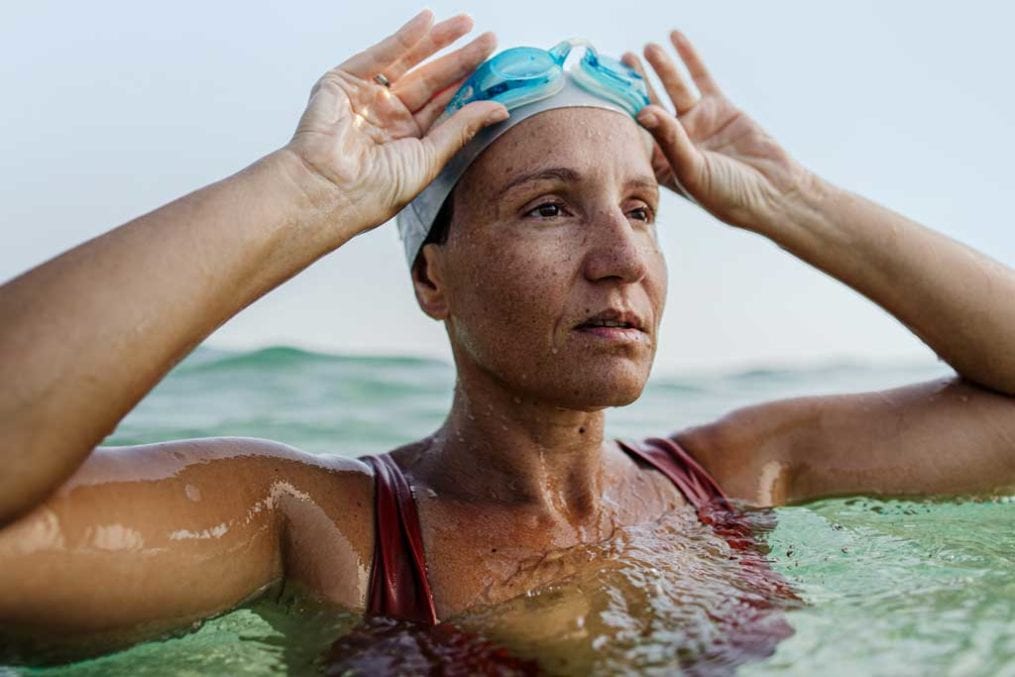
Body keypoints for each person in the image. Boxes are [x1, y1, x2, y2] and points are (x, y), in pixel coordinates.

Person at [0, 8, 1012, 661]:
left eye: (643, 209)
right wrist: (301, 193)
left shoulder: (740, 475)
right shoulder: (321, 527)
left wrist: (794, 203)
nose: (620, 257)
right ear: (432, 277)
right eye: (547, 208)